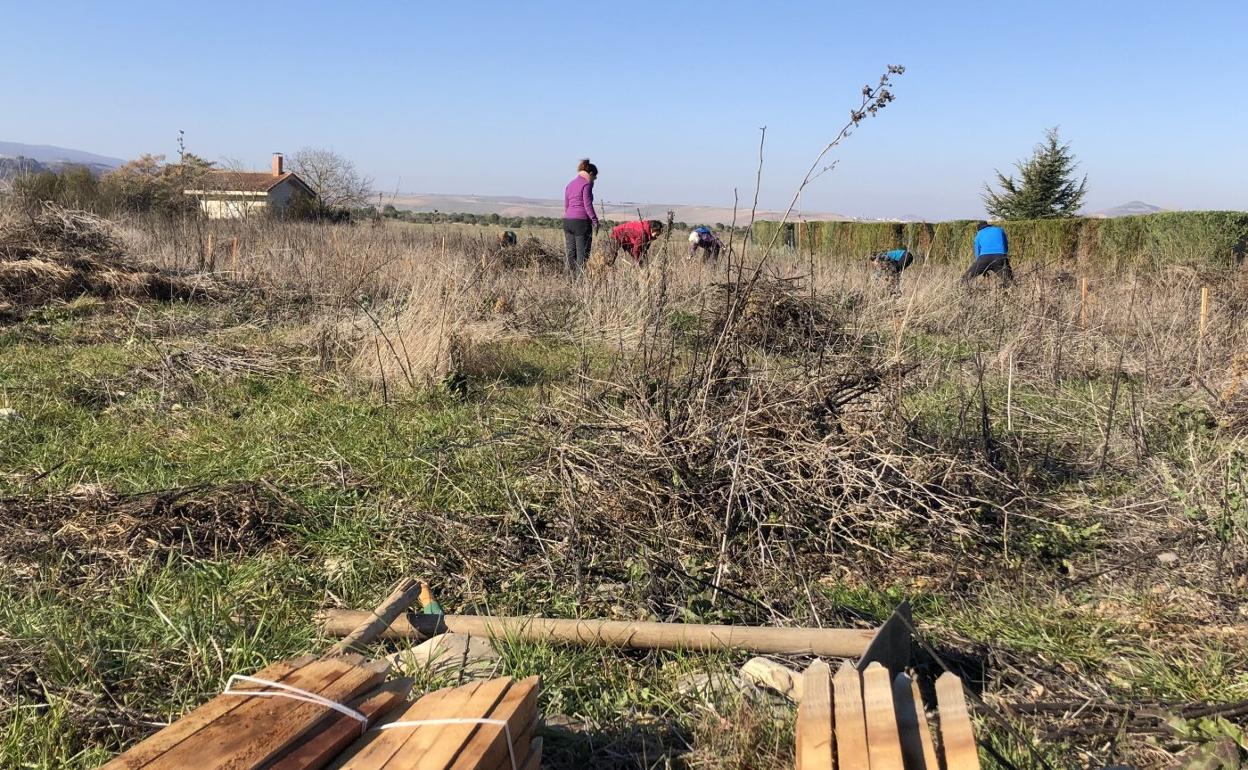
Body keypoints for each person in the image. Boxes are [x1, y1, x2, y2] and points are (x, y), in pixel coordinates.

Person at [563, 159, 599, 275]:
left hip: (568, 221)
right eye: (595, 177)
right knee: (582, 256)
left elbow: (566, 205)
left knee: (570, 254)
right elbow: (587, 205)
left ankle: (568, 280)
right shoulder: (586, 184)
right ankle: (579, 284)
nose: (595, 179)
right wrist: (595, 221)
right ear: (591, 174)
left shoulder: (570, 184)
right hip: (581, 223)